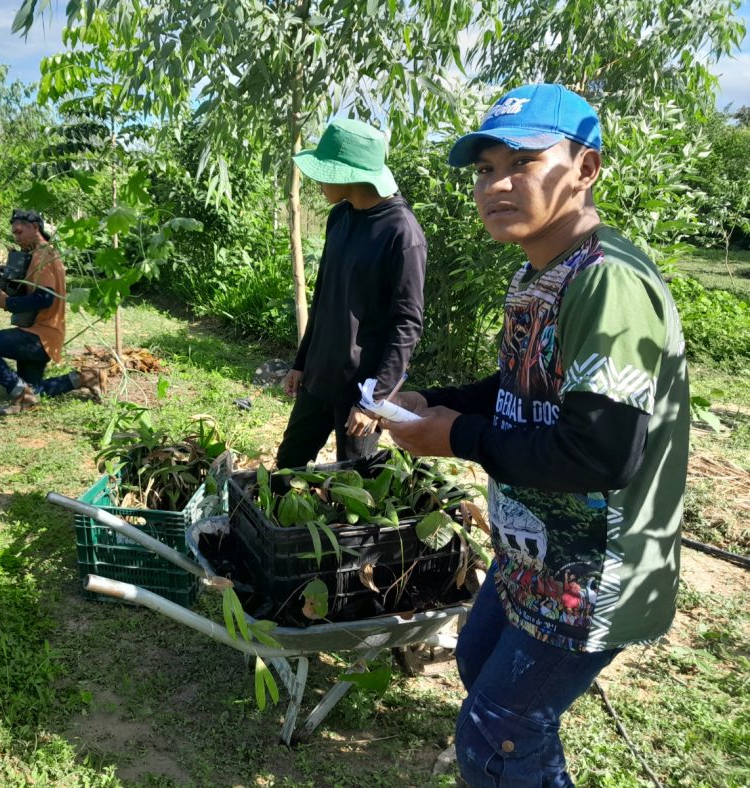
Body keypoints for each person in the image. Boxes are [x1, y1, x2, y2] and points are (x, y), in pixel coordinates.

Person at [385, 84, 689, 786]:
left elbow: (601, 451)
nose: (496, 184)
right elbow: (522, 386)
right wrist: (434, 400)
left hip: (593, 574)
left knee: (499, 731)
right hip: (537, 554)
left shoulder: (607, 283)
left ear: (586, 169)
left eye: (521, 162)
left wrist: (458, 436)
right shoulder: (540, 274)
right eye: (485, 169)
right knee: (474, 664)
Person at [276, 118, 426, 469]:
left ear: (350, 174)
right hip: (319, 376)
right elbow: (325, 294)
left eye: (325, 170)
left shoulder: (402, 233)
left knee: (353, 483)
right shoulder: (340, 217)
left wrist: (373, 401)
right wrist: (302, 362)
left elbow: (407, 326)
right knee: (287, 466)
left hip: (361, 389)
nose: (318, 180)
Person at [0, 209, 106, 415]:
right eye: (14, 234)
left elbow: (45, 298)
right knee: (33, 389)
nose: (16, 237)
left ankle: (21, 395)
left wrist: (9, 303)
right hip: (48, 336)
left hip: (39, 336)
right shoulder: (43, 254)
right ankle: (84, 378)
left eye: (19, 232)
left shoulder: (43, 256)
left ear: (34, 227)